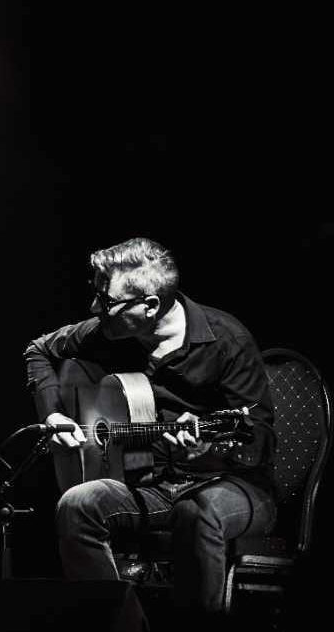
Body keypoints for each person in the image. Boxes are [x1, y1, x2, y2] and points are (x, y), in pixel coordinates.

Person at [25, 237, 276, 616]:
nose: (95, 308)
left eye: (106, 302)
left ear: (150, 305)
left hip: (236, 488)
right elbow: (39, 350)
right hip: (152, 486)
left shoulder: (227, 340)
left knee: (197, 511)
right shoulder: (107, 333)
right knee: (77, 504)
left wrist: (208, 451)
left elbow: (260, 440)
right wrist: (54, 415)